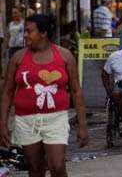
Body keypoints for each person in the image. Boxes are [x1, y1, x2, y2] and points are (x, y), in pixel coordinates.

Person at [0, 14, 89, 177]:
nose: (25, 35)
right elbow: (7, 92)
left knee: (57, 166)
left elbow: (76, 91)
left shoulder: (65, 56)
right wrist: (2, 123)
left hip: (56, 119)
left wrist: (82, 125)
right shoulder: (17, 58)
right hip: (26, 121)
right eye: (25, 31)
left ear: (44, 33)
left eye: (29, 31)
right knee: (35, 169)